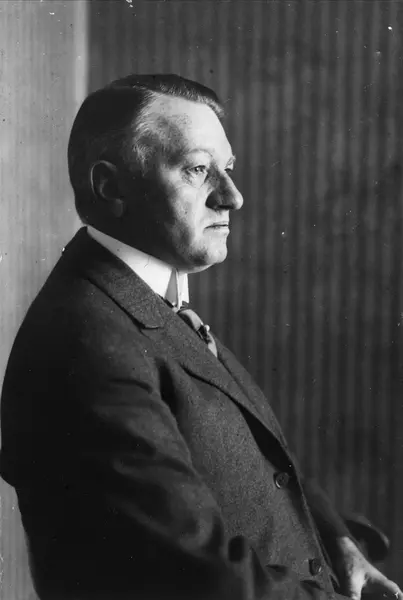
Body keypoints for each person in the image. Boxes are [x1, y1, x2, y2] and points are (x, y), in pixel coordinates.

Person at [0, 74, 401, 600]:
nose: (232, 197)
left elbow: (253, 459)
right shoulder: (87, 339)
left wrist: (337, 542)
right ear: (111, 188)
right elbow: (194, 571)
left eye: (227, 169)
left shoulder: (150, 300)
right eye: (197, 169)